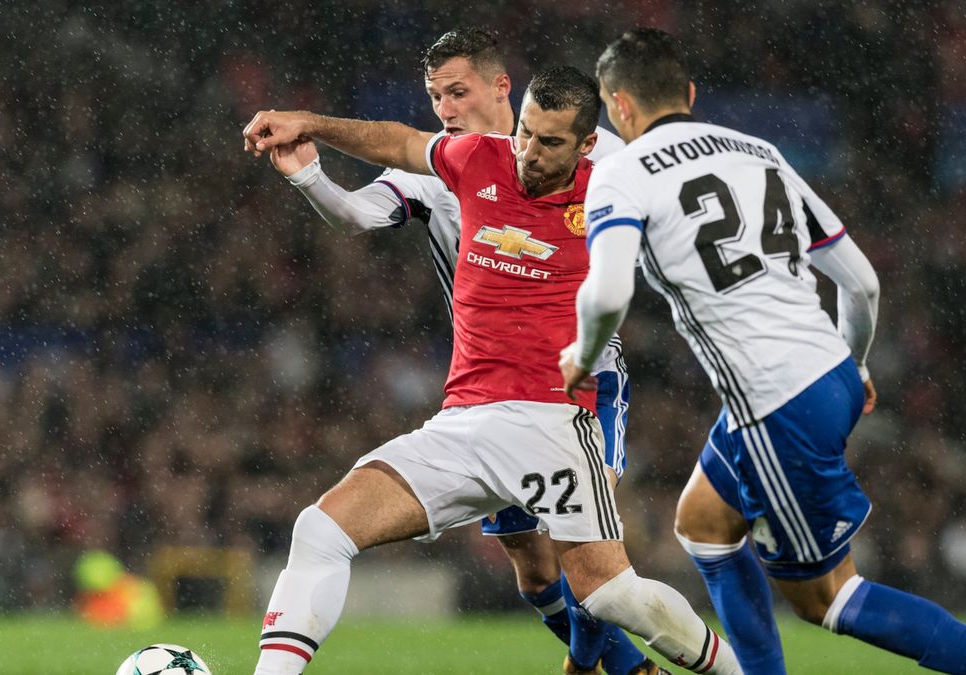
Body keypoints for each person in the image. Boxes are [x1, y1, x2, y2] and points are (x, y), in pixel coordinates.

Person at [562, 28, 966, 675]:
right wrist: (857, 362)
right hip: (831, 369)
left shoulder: (623, 169)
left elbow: (609, 288)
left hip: (773, 403)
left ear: (618, 106)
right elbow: (861, 279)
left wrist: (583, 355)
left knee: (827, 597)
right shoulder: (758, 151)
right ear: (690, 93)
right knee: (703, 520)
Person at [243, 66, 743, 675]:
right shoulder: (480, 158)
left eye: (550, 142)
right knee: (320, 530)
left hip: (555, 422)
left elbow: (702, 234)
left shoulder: (616, 189)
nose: (529, 153)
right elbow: (398, 141)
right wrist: (310, 124)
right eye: (527, 135)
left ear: (587, 144)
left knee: (607, 592)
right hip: (463, 424)